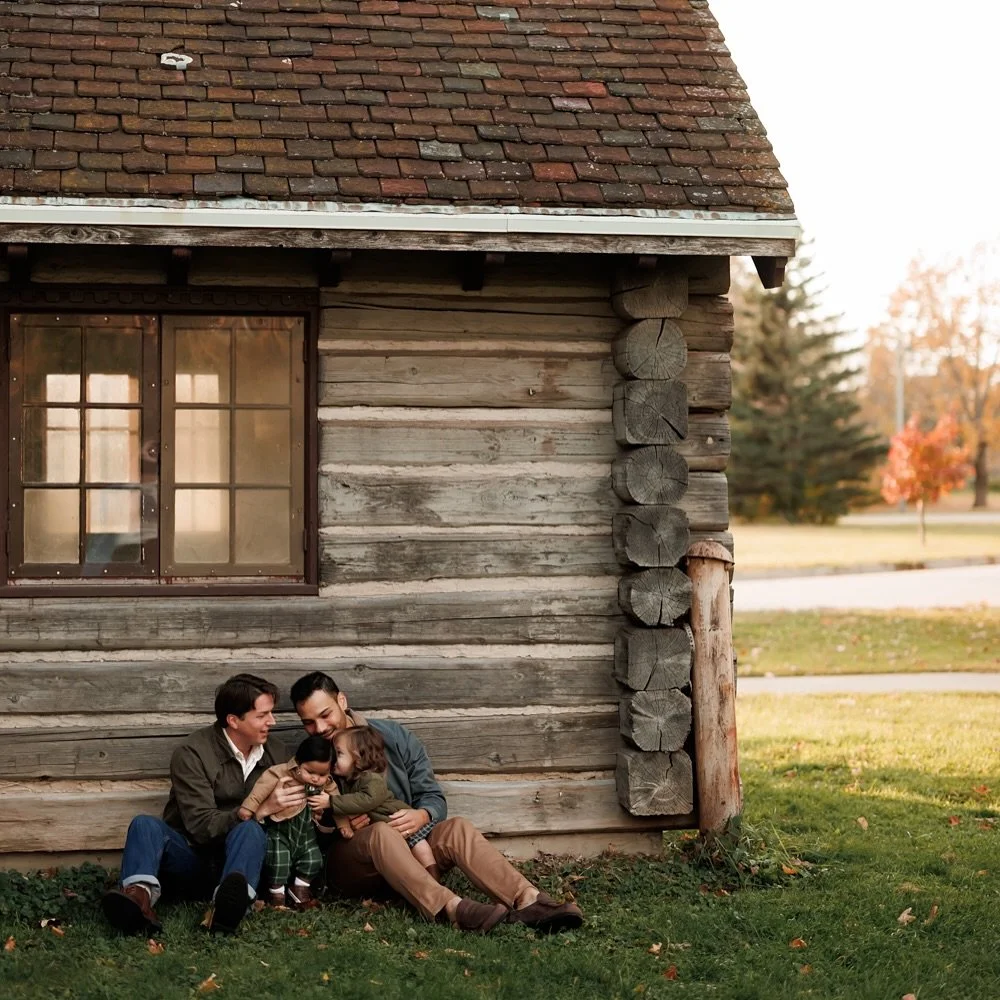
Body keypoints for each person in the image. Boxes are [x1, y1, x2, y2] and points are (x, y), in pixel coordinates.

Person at [289, 671, 584, 935]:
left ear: (342, 700)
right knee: (380, 833)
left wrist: (422, 814)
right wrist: (332, 821)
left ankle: (527, 899)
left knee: (457, 827)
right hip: (355, 862)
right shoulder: (307, 758)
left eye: (325, 714)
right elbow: (302, 830)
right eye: (309, 723)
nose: (320, 727)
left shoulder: (394, 737)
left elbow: (431, 794)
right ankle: (452, 908)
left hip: (412, 847)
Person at [100, 673, 291, 936]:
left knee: (250, 831)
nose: (272, 721)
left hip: (240, 865)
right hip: (192, 860)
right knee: (144, 824)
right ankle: (137, 901)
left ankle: (227, 908)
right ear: (233, 720)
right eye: (262, 715)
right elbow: (202, 826)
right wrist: (259, 810)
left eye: (271, 713)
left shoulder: (278, 753)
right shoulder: (192, 754)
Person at [326, 726, 440, 882]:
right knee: (403, 854)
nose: (333, 758)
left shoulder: (372, 778)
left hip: (399, 820)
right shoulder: (348, 782)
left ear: (358, 758)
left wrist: (330, 802)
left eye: (339, 753)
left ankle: (432, 872)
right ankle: (418, 880)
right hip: (389, 831)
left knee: (418, 844)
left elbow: (368, 800)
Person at [239, 734, 338, 909]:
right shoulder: (280, 772)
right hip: (281, 829)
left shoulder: (325, 783)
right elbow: (260, 789)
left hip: (306, 831)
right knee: (278, 861)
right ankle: (276, 895)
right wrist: (249, 808)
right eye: (310, 772)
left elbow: (338, 802)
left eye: (322, 774)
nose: (316, 778)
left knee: (313, 859)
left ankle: (300, 889)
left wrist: (333, 806)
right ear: (298, 764)